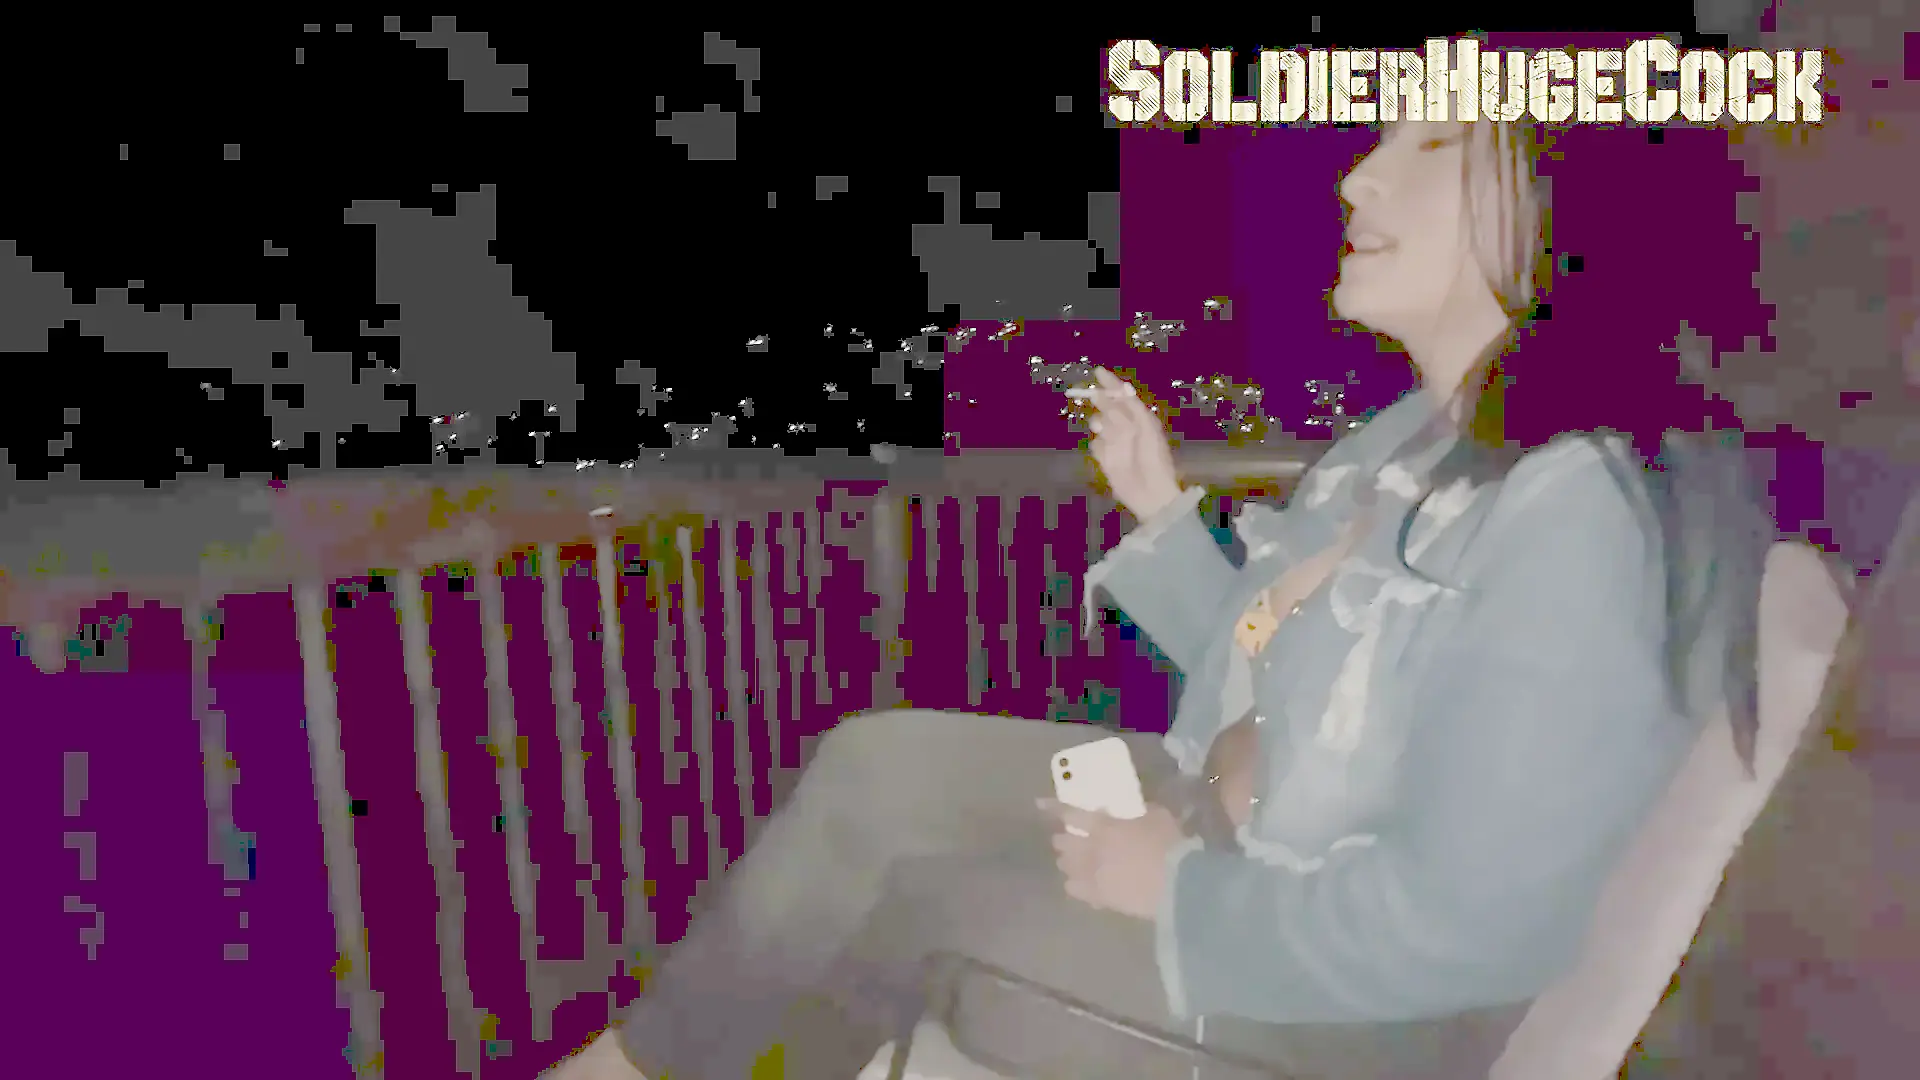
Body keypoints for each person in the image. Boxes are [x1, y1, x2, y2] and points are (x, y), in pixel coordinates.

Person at [541, 116, 1767, 1080]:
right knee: (876, 766)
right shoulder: (1406, 445)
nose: (1358, 179)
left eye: (1433, 147)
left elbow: (1472, 925)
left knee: (921, 906)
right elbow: (1277, 668)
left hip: (1358, 1008)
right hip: (1248, 832)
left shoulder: (1579, 509)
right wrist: (1163, 513)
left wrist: (1177, 888)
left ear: (1561, 202)